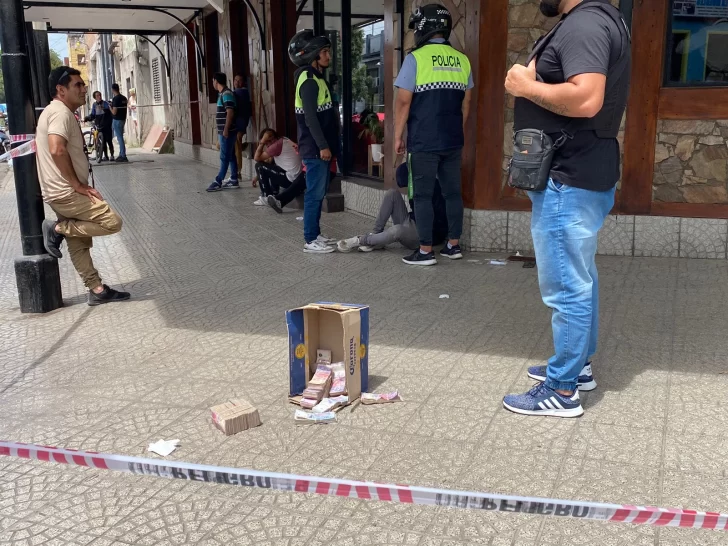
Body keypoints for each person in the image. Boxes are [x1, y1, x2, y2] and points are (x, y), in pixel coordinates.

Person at [501, 0, 631, 417]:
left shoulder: (585, 25)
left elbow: (586, 99)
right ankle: (578, 368)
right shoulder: (599, 20)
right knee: (580, 276)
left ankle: (561, 389)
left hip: (568, 177)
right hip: (581, 171)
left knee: (566, 286)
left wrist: (526, 87)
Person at [38, 66, 130, 306]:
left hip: (57, 192)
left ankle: (96, 289)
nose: (84, 89)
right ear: (61, 90)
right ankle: (57, 229)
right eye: (77, 85)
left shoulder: (55, 111)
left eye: (83, 84)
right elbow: (57, 149)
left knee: (78, 242)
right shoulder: (60, 113)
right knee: (112, 222)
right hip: (66, 192)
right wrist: (77, 185)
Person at [394, 4, 473, 266]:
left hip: (424, 140)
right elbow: (466, 104)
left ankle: (426, 251)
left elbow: (403, 101)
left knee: (423, 196)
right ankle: (453, 245)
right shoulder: (462, 60)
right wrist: (457, 131)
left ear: (423, 28)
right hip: (453, 139)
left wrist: (397, 136)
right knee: (452, 194)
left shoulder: (415, 59)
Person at [288, 29, 340, 254]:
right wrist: (323, 146)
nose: (328, 56)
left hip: (321, 148)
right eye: (324, 52)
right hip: (316, 149)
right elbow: (310, 118)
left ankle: (316, 233)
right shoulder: (308, 80)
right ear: (312, 55)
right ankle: (310, 239)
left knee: (318, 193)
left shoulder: (316, 78)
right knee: (314, 194)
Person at [337, 162, 447, 254]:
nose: (408, 188)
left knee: (396, 230)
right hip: (412, 222)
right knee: (392, 193)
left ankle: (361, 240)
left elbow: (440, 222)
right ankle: (376, 235)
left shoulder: (434, 188)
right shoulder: (414, 185)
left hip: (425, 234)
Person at [253, 128, 307, 213]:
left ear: (271, 139)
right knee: (272, 166)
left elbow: (257, 158)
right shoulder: (284, 139)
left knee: (259, 166)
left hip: (292, 180)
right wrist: (257, 177)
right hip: (296, 177)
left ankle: (266, 198)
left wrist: (261, 143)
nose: (266, 145)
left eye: (266, 143)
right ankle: (274, 194)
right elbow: (269, 162)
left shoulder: (276, 145)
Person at [206, 73, 240, 191]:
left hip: (227, 132)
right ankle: (234, 179)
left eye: (213, 81)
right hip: (225, 131)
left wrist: (225, 129)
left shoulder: (226, 94)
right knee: (230, 155)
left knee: (224, 157)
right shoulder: (222, 94)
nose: (212, 83)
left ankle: (218, 181)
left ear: (216, 81)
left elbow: (230, 112)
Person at [85, 91, 114, 162]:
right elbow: (93, 115)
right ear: (95, 98)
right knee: (102, 142)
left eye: (100, 95)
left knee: (109, 141)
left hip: (107, 124)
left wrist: (105, 108)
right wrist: (87, 118)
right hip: (99, 125)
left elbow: (110, 111)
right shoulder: (94, 105)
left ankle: (112, 155)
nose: (99, 97)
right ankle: (105, 156)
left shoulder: (105, 103)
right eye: (97, 96)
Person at [233, 75, 252, 181]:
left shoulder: (242, 92)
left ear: (243, 82)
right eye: (235, 80)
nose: (237, 82)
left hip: (240, 123)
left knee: (236, 145)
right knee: (220, 145)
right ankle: (245, 146)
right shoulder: (236, 92)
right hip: (235, 123)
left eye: (239, 80)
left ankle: (238, 172)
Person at [110, 83, 128, 163]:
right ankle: (121, 154)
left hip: (117, 119)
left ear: (112, 90)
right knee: (120, 137)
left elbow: (114, 112)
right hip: (123, 119)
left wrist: (110, 107)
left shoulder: (115, 99)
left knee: (119, 137)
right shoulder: (124, 98)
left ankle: (123, 155)